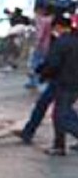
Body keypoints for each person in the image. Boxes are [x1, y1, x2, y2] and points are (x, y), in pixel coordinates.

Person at [34, 13, 78, 156]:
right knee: (62, 113)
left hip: (63, 82)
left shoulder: (61, 43)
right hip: (73, 83)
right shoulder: (74, 40)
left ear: (59, 27)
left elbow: (53, 63)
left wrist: (43, 74)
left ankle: (59, 146)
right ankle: (59, 145)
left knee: (60, 116)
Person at [27, 4, 55, 89]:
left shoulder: (43, 21)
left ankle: (34, 82)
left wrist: (36, 44)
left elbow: (40, 34)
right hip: (48, 46)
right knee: (41, 63)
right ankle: (38, 81)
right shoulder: (51, 20)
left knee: (35, 64)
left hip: (40, 46)